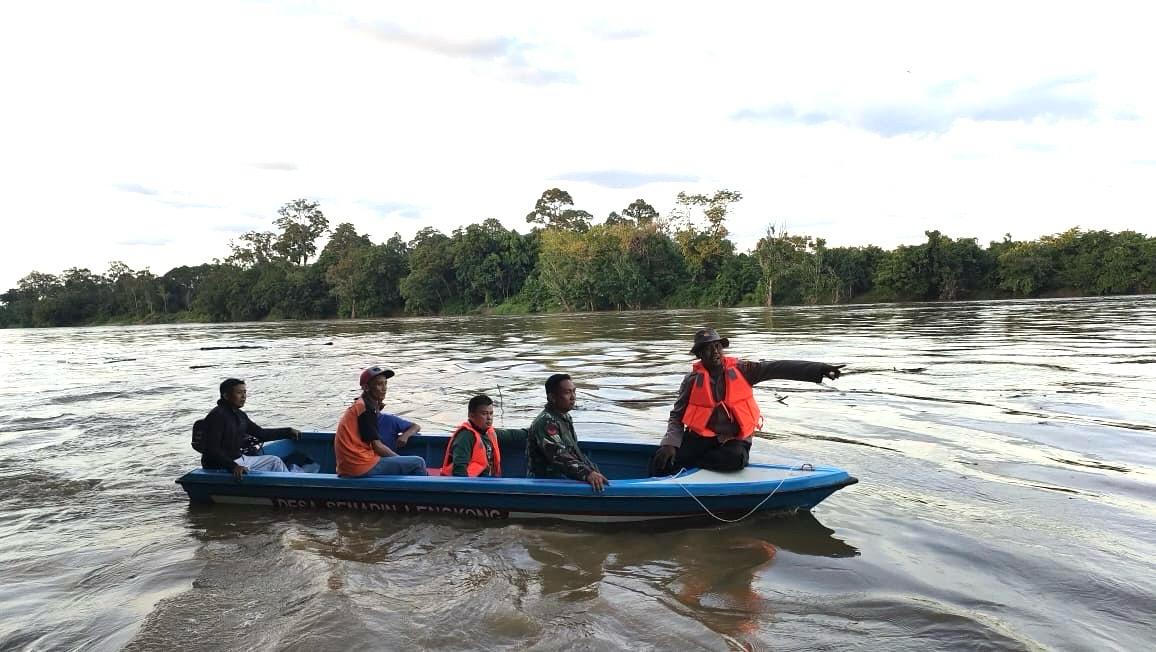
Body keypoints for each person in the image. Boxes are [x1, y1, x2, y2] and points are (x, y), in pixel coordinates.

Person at [651, 328, 845, 474]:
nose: (715, 352)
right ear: (700, 355)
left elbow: (778, 368)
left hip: (733, 440)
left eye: (717, 346)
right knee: (663, 458)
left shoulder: (744, 370)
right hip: (702, 438)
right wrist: (670, 444)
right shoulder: (691, 381)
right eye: (708, 349)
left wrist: (818, 369)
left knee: (735, 460)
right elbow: (677, 417)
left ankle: (696, 465)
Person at [196, 378, 301, 480]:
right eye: (239, 393)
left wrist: (288, 431)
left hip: (238, 459)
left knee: (274, 461)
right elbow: (212, 449)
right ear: (226, 396)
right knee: (274, 462)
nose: (243, 396)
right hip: (220, 465)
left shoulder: (240, 415)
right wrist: (233, 466)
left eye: (245, 392)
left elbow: (261, 433)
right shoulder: (217, 416)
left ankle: (289, 485)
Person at [334, 366, 428, 477]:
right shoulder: (365, 409)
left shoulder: (360, 405)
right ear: (366, 387)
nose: (384, 388)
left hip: (352, 465)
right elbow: (377, 447)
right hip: (359, 465)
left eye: (385, 383)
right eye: (379, 384)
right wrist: (400, 461)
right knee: (418, 463)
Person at [526, 374, 610, 493]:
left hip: (564, 479)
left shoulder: (564, 417)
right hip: (546, 485)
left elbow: (573, 452)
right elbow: (559, 455)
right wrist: (588, 473)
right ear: (552, 397)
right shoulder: (546, 421)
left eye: (574, 392)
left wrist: (593, 470)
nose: (573, 397)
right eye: (567, 393)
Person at [441, 394, 528, 477]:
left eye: (491, 413)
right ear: (471, 415)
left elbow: (512, 435)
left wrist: (533, 430)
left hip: (488, 481)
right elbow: (459, 471)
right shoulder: (465, 437)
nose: (489, 417)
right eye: (484, 414)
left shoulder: (489, 432)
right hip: (472, 485)